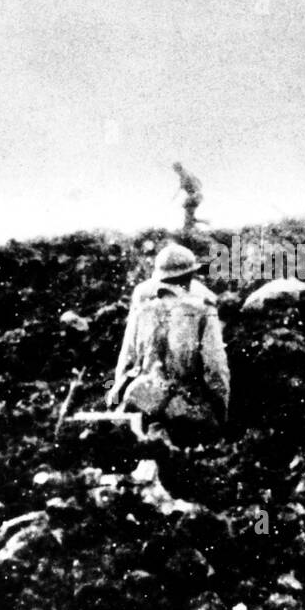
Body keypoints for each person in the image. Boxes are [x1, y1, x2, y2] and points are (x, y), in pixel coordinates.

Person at [107, 243, 230, 447]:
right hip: (184, 410)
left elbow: (126, 361)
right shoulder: (203, 309)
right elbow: (216, 370)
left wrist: (115, 402)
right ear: (190, 276)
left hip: (141, 401)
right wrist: (221, 417)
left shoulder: (142, 305)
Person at [171, 163, 203, 232]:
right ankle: (192, 226)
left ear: (178, 168)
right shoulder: (184, 175)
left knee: (188, 212)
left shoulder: (186, 174)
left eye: (175, 170)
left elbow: (194, 185)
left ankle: (189, 228)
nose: (175, 172)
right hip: (194, 196)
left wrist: (183, 185)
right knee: (188, 213)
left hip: (194, 196)